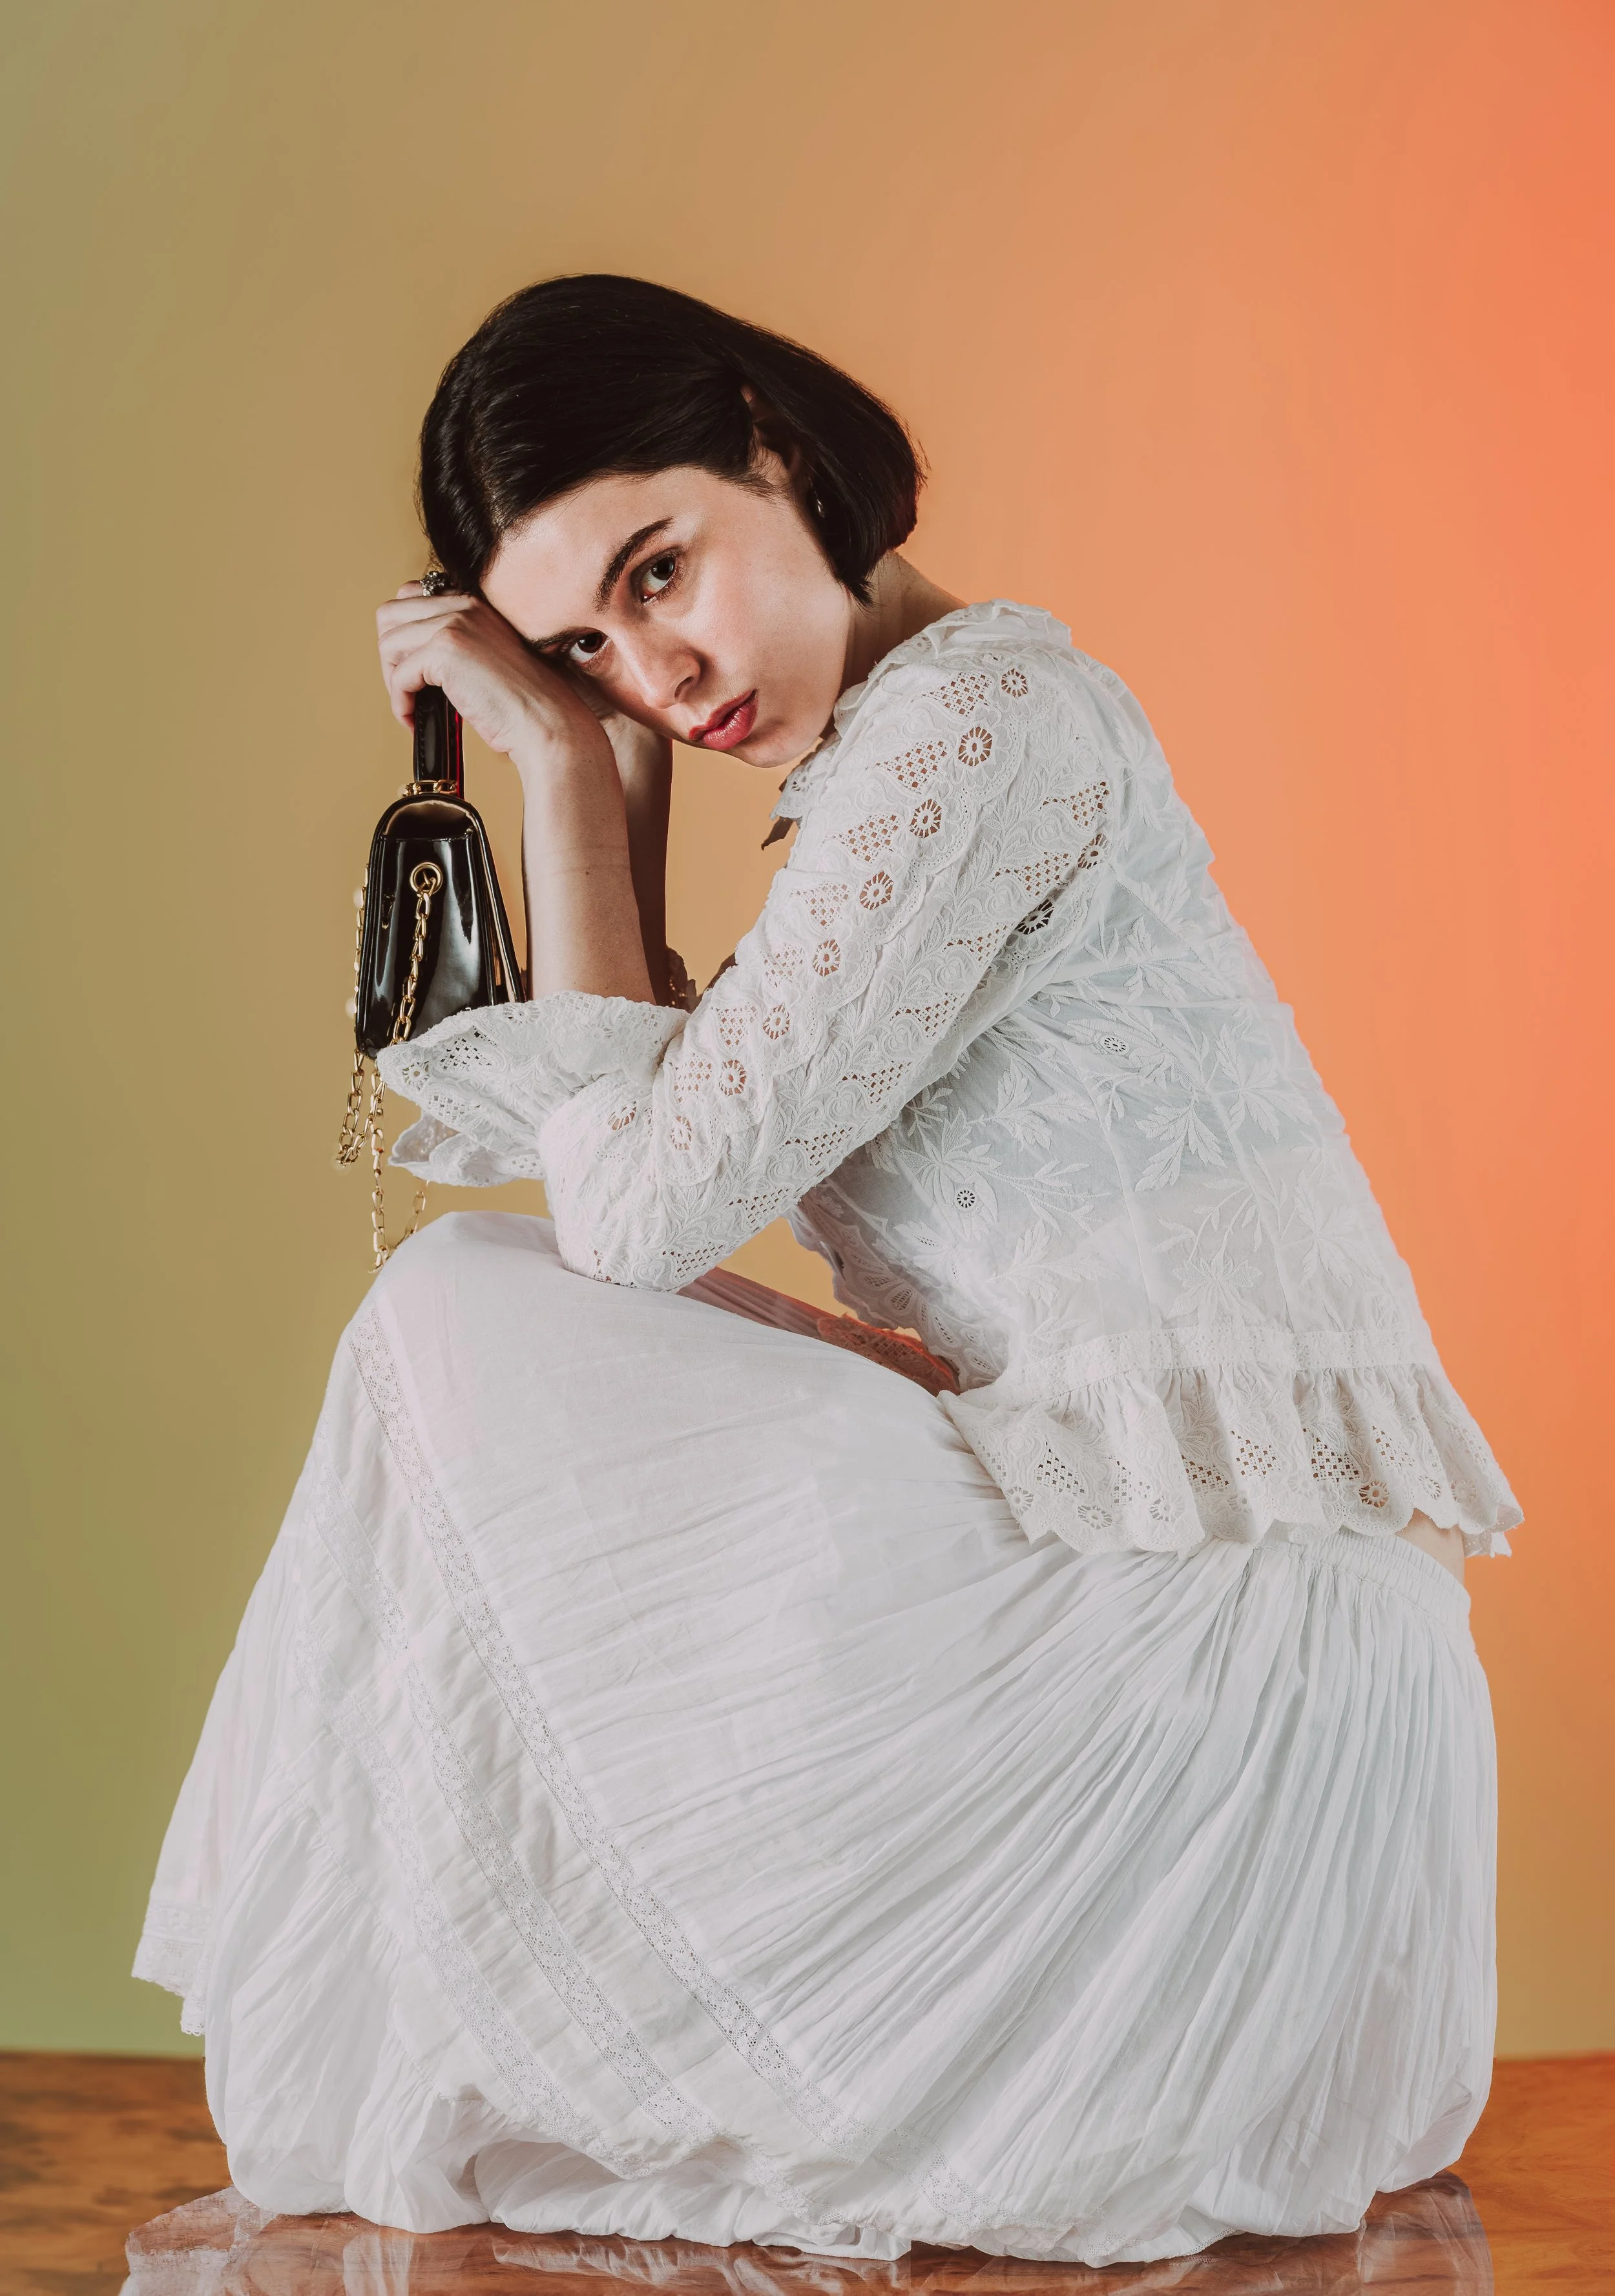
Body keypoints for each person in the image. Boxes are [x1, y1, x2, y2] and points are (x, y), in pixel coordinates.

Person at [135, 276, 1521, 2267]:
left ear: (772, 447)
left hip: (1220, 1654)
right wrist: (610, 780)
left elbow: (630, 1214)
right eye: (587, 646)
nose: (660, 665)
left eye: (662, 566)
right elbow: (677, 1140)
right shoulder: (924, 735)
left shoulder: (971, 729)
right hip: (1198, 1603)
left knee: (462, 1308)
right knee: (498, 1304)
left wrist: (549, 758)